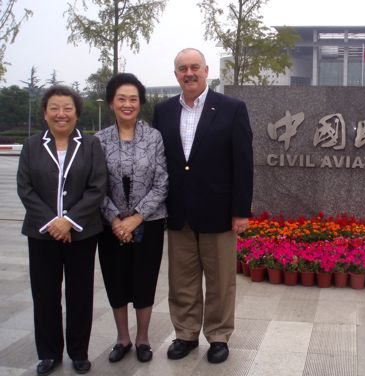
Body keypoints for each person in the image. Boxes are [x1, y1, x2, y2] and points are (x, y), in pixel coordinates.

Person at [152, 48, 253, 364]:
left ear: (206, 70)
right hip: (178, 212)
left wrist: (241, 211)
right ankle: (185, 334)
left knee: (221, 281)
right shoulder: (164, 111)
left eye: (194, 66)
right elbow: (162, 162)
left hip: (219, 212)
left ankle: (219, 336)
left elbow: (243, 163)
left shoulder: (231, 109)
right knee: (182, 280)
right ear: (176, 74)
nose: (189, 72)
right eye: (182, 68)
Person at [17, 85, 107, 375]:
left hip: (81, 232)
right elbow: (25, 188)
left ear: (77, 113)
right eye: (54, 108)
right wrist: (52, 223)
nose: (61, 114)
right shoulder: (32, 145)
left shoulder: (90, 144)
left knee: (80, 294)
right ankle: (49, 353)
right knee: (44, 294)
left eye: (67, 108)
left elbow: (97, 187)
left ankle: (78, 352)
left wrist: (68, 221)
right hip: (41, 233)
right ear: (45, 113)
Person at [95, 73, 168, 363]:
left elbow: (162, 181)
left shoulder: (154, 137)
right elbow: (95, 185)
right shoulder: (98, 140)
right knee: (116, 279)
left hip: (147, 223)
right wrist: (115, 219)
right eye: (121, 99)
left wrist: (136, 218)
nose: (127, 104)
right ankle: (123, 338)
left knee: (144, 279)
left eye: (133, 99)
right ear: (112, 102)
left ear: (140, 103)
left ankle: (143, 338)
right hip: (109, 226)